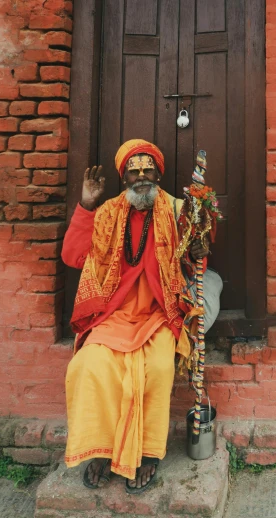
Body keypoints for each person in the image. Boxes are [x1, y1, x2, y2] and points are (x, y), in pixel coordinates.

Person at [61, 139, 208, 494]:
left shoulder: (176, 209)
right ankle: (102, 450)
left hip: (159, 315)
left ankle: (146, 453)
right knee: (87, 366)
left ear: (159, 173)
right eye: (133, 171)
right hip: (113, 317)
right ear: (123, 176)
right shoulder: (108, 212)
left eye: (148, 170)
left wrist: (199, 239)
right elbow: (72, 257)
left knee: (157, 369)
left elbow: (196, 258)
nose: (142, 177)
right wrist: (86, 205)